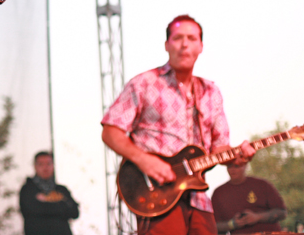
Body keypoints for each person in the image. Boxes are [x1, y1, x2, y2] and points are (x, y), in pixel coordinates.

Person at [101, 14, 256, 235]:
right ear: (167, 45)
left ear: (201, 46)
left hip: (198, 197)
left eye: (192, 38)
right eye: (178, 38)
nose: (185, 44)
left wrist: (239, 155)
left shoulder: (211, 92)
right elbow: (110, 131)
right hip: (156, 194)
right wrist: (144, 161)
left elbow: (220, 148)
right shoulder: (145, 83)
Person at [212, 161, 286, 234]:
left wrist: (257, 217)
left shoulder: (262, 185)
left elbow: (282, 212)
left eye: (237, 166)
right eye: (229, 166)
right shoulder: (219, 193)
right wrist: (233, 224)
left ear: (245, 166)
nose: (232, 169)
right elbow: (213, 225)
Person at [19, 151, 79, 235]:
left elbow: (74, 212)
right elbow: (31, 211)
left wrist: (45, 203)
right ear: (35, 166)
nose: (45, 168)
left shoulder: (61, 190)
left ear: (53, 165)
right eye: (41, 164)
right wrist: (60, 204)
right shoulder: (28, 190)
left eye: (48, 164)